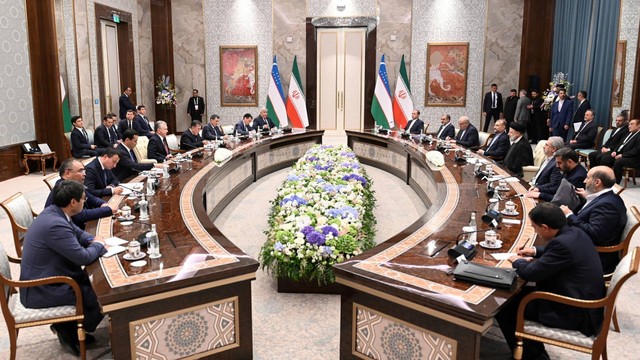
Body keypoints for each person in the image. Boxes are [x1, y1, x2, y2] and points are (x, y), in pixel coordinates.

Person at [496, 202, 604, 360]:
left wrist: (515, 260)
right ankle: (533, 350)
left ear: (545, 227)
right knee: (514, 297)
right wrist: (534, 251)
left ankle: (531, 356)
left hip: (575, 310)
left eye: (535, 228)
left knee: (505, 306)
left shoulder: (562, 244)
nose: (535, 232)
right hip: (582, 298)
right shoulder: (574, 232)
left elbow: (530, 274)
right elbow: (556, 250)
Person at [20, 180, 108, 356]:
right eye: (83, 199)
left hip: (51, 275)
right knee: (101, 293)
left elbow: (77, 232)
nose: (85, 202)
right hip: (42, 287)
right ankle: (67, 329)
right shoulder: (54, 224)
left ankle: (70, 328)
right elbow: (82, 257)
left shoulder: (55, 212)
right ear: (73, 202)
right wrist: (99, 246)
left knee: (93, 283)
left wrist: (91, 240)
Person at [560, 166, 627, 274]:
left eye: (587, 178)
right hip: (580, 243)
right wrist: (588, 197)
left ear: (597, 182)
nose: (584, 181)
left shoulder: (608, 205)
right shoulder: (604, 197)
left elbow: (593, 234)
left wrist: (569, 215)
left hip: (592, 258)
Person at [45, 159, 117, 229]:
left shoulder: (73, 184)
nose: (85, 174)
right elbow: (80, 215)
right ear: (68, 173)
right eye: (81, 171)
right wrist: (107, 210)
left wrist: (102, 204)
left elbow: (90, 197)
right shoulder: (64, 188)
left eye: (84, 171)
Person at [526, 136, 564, 201]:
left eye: (546, 145)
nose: (543, 147)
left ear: (554, 149)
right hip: (533, 187)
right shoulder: (547, 159)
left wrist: (538, 188)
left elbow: (553, 185)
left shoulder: (557, 164)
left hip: (541, 194)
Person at [612, 118, 640, 183]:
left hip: (636, 158)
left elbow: (637, 150)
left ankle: (616, 182)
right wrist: (615, 151)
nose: (629, 126)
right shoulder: (630, 133)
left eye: (632, 124)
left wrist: (622, 155)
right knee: (607, 158)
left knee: (618, 162)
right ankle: (605, 178)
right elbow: (620, 144)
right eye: (629, 124)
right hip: (627, 155)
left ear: (639, 125)